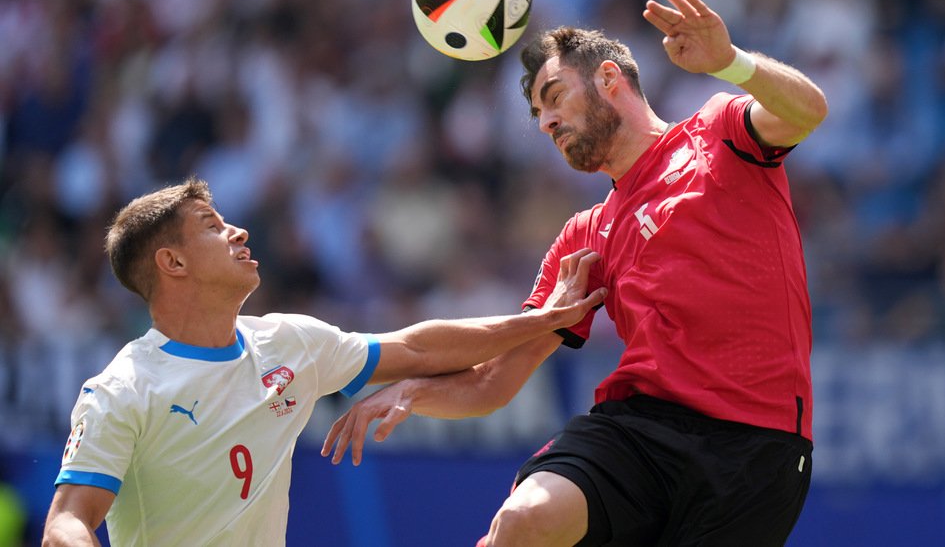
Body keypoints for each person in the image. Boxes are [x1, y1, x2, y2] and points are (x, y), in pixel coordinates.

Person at [322, 0, 828, 547]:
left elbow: (809, 111)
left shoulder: (717, 133)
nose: (545, 123)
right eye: (538, 113)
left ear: (609, 79)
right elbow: (494, 381)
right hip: (639, 435)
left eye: (555, 96)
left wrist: (731, 63)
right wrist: (411, 391)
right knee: (520, 522)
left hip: (757, 449)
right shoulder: (583, 238)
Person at [40, 177, 607, 547]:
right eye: (212, 227)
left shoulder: (290, 343)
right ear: (172, 263)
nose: (237, 231)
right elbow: (67, 521)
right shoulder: (121, 388)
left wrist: (537, 320)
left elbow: (419, 349)